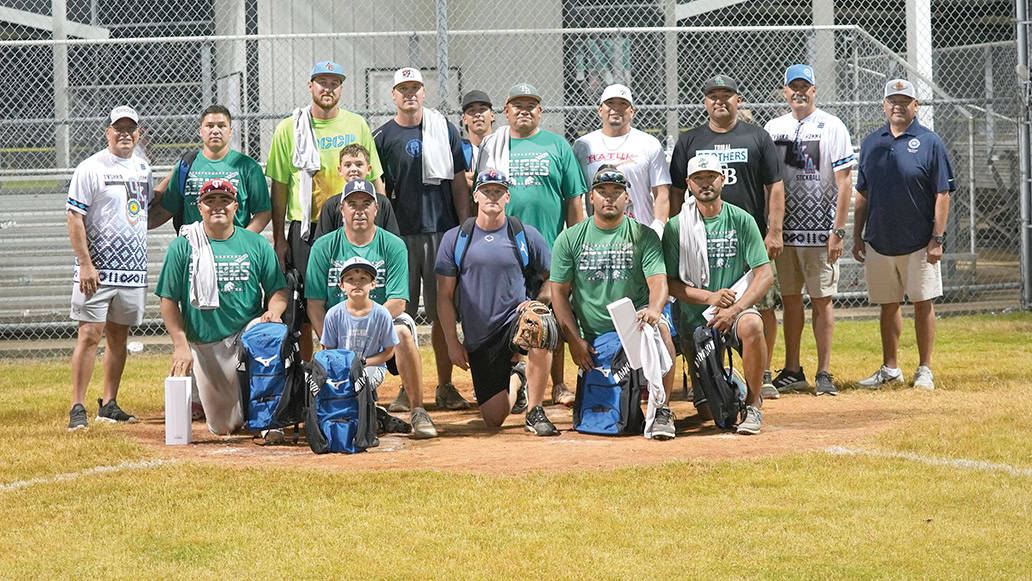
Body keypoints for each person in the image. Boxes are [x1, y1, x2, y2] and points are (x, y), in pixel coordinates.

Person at [669, 75, 785, 399]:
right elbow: (677, 190)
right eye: (713, 95)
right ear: (704, 102)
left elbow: (774, 185)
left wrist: (774, 231)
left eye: (727, 95)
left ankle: (762, 374)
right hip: (700, 238)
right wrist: (679, 231)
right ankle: (710, 375)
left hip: (747, 235)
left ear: (739, 99)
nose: (720, 100)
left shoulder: (757, 136)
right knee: (704, 310)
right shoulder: (690, 140)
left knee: (761, 309)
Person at [475, 82, 588, 407]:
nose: (524, 110)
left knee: (554, 313)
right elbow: (481, 197)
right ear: (506, 111)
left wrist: (575, 243)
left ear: (540, 111)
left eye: (531, 105)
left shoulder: (558, 146)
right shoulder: (493, 145)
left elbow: (573, 201)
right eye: (517, 105)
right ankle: (516, 380)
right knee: (511, 315)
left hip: (550, 246)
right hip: (504, 247)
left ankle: (558, 384)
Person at [265, 60, 383, 361]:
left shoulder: (356, 124)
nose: (328, 88)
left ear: (341, 87)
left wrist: (377, 228)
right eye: (322, 82)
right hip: (308, 226)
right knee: (305, 304)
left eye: (334, 82)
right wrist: (279, 238)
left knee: (352, 297)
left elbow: (374, 180)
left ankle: (354, 370)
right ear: (310, 86)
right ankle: (308, 379)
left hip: (351, 225)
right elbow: (278, 188)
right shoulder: (290, 128)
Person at [305, 179, 439, 439]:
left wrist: (364, 325)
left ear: (376, 209)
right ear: (341, 210)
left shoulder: (393, 245)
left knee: (402, 332)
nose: (359, 210)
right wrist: (331, 347)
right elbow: (314, 304)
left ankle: (418, 410)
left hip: (381, 329)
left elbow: (398, 302)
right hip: (339, 332)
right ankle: (372, 412)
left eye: (366, 204)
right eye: (352, 204)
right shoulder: (323, 247)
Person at [372, 67, 472, 413]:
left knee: (444, 311)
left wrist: (464, 228)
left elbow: (459, 182)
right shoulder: (382, 137)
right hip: (400, 236)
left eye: (415, 87)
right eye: (403, 89)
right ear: (394, 95)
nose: (409, 94)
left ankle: (445, 386)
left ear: (424, 92)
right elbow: (380, 192)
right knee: (404, 313)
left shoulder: (443, 128)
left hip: (441, 231)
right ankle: (406, 388)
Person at [550, 166, 676, 440]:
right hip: (594, 335)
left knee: (663, 330)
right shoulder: (570, 238)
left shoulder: (643, 235)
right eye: (602, 192)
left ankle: (662, 410)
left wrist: (654, 309)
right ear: (591, 198)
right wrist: (573, 339)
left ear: (627, 197)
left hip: (636, 328)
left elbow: (658, 282)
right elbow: (558, 293)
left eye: (616, 192)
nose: (609, 198)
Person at [156, 179, 287, 435]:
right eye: (210, 201)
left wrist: (275, 311)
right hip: (206, 344)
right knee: (224, 426)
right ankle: (243, 410)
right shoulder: (184, 245)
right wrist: (181, 344)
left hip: (244, 334)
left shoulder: (255, 243)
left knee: (268, 334)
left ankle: (267, 420)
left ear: (236, 207)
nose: (218, 206)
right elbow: (168, 300)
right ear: (199, 208)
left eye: (224, 200)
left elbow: (278, 290)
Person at [435, 169, 559, 436]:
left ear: (507, 197)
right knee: (494, 419)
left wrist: (537, 303)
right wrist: (452, 342)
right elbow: (444, 297)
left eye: (498, 191)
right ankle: (517, 378)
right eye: (487, 191)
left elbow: (554, 279)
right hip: (480, 333)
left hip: (515, 322)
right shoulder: (456, 238)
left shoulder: (525, 234)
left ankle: (535, 411)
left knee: (541, 324)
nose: (493, 196)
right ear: (476, 195)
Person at [853, 79, 954, 391]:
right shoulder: (872, 142)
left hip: (919, 242)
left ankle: (924, 369)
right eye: (892, 101)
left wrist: (936, 238)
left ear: (915, 105)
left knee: (923, 303)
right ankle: (890, 368)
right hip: (880, 240)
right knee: (888, 304)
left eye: (904, 100)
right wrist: (857, 235)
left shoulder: (929, 142)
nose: (897, 106)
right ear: (884, 105)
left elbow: (942, 193)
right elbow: (863, 193)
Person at [762, 65, 856, 396]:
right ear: (784, 92)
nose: (799, 92)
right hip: (784, 233)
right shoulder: (773, 128)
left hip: (820, 231)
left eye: (805, 86)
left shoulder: (832, 126)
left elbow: (844, 182)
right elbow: (768, 182)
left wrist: (838, 230)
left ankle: (825, 371)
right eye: (793, 87)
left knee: (822, 300)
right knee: (789, 301)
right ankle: (792, 368)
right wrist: (770, 228)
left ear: (814, 90)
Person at [663, 154, 774, 434]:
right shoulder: (677, 227)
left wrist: (733, 310)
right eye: (698, 178)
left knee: (752, 323)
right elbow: (670, 284)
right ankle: (726, 383)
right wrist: (708, 298)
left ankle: (753, 404)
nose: (705, 184)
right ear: (688, 183)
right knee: (711, 413)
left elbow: (765, 275)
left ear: (722, 179)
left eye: (711, 176)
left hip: (733, 312)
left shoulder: (741, 219)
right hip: (693, 319)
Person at [66, 105, 154, 431]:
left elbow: (143, 216)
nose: (125, 134)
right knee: (89, 335)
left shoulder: (143, 170)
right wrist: (86, 264)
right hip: (96, 271)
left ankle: (109, 403)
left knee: (119, 337)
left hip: (131, 272)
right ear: (108, 132)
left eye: (131, 128)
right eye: (119, 128)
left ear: (139, 133)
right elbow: (74, 217)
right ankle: (77, 406)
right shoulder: (91, 168)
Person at [149, 104, 271, 234]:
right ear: (200, 131)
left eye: (222, 126)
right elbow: (166, 209)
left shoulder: (248, 167)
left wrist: (243, 240)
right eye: (210, 126)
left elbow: (263, 211)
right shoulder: (185, 166)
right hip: (194, 249)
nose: (216, 130)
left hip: (233, 251)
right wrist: (131, 223)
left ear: (230, 131)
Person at [573, 83, 671, 236]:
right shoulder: (583, 145)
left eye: (623, 104)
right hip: (597, 235)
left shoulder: (649, 143)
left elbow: (662, 192)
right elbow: (575, 195)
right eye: (610, 103)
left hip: (639, 232)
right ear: (600, 109)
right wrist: (579, 232)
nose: (616, 108)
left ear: (632, 111)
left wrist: (657, 227)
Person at [314, 144, 400, 238]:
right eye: (347, 165)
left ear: (369, 169)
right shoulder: (331, 205)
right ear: (340, 170)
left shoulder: (383, 203)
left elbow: (394, 241)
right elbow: (321, 243)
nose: (353, 169)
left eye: (359, 164)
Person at [459, 90, 494, 189]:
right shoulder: (458, 150)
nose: (478, 114)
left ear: (492, 115)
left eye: (482, 109)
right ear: (464, 119)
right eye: (472, 111)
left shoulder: (503, 145)